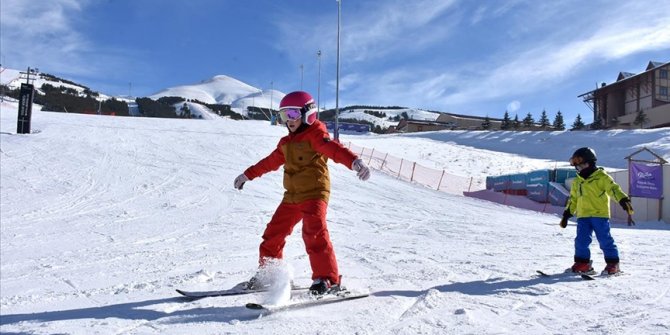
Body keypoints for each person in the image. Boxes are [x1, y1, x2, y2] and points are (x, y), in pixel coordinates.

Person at [233, 91, 371, 295]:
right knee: (273, 234)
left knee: (313, 232)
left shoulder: (315, 135)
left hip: (315, 192)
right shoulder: (285, 143)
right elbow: (269, 163)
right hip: (292, 195)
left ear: (308, 114)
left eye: (292, 114)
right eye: (283, 116)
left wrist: (354, 161)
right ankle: (270, 275)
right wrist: (247, 175)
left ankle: (326, 279)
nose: (288, 121)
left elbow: (334, 149)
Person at [560, 147, 633, 275]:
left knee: (605, 239)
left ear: (589, 162)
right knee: (581, 241)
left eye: (580, 164)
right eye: (576, 165)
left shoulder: (601, 177)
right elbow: (573, 199)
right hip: (583, 216)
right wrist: (567, 214)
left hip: (599, 215)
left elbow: (613, 189)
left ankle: (613, 264)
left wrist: (622, 200)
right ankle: (583, 263)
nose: (578, 168)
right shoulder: (577, 181)